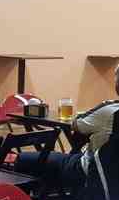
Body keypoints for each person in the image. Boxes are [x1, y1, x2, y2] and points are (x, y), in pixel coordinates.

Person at [15, 65, 117, 193]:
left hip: (90, 171)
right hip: (111, 178)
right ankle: (48, 190)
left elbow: (77, 124)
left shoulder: (109, 110)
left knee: (22, 159)